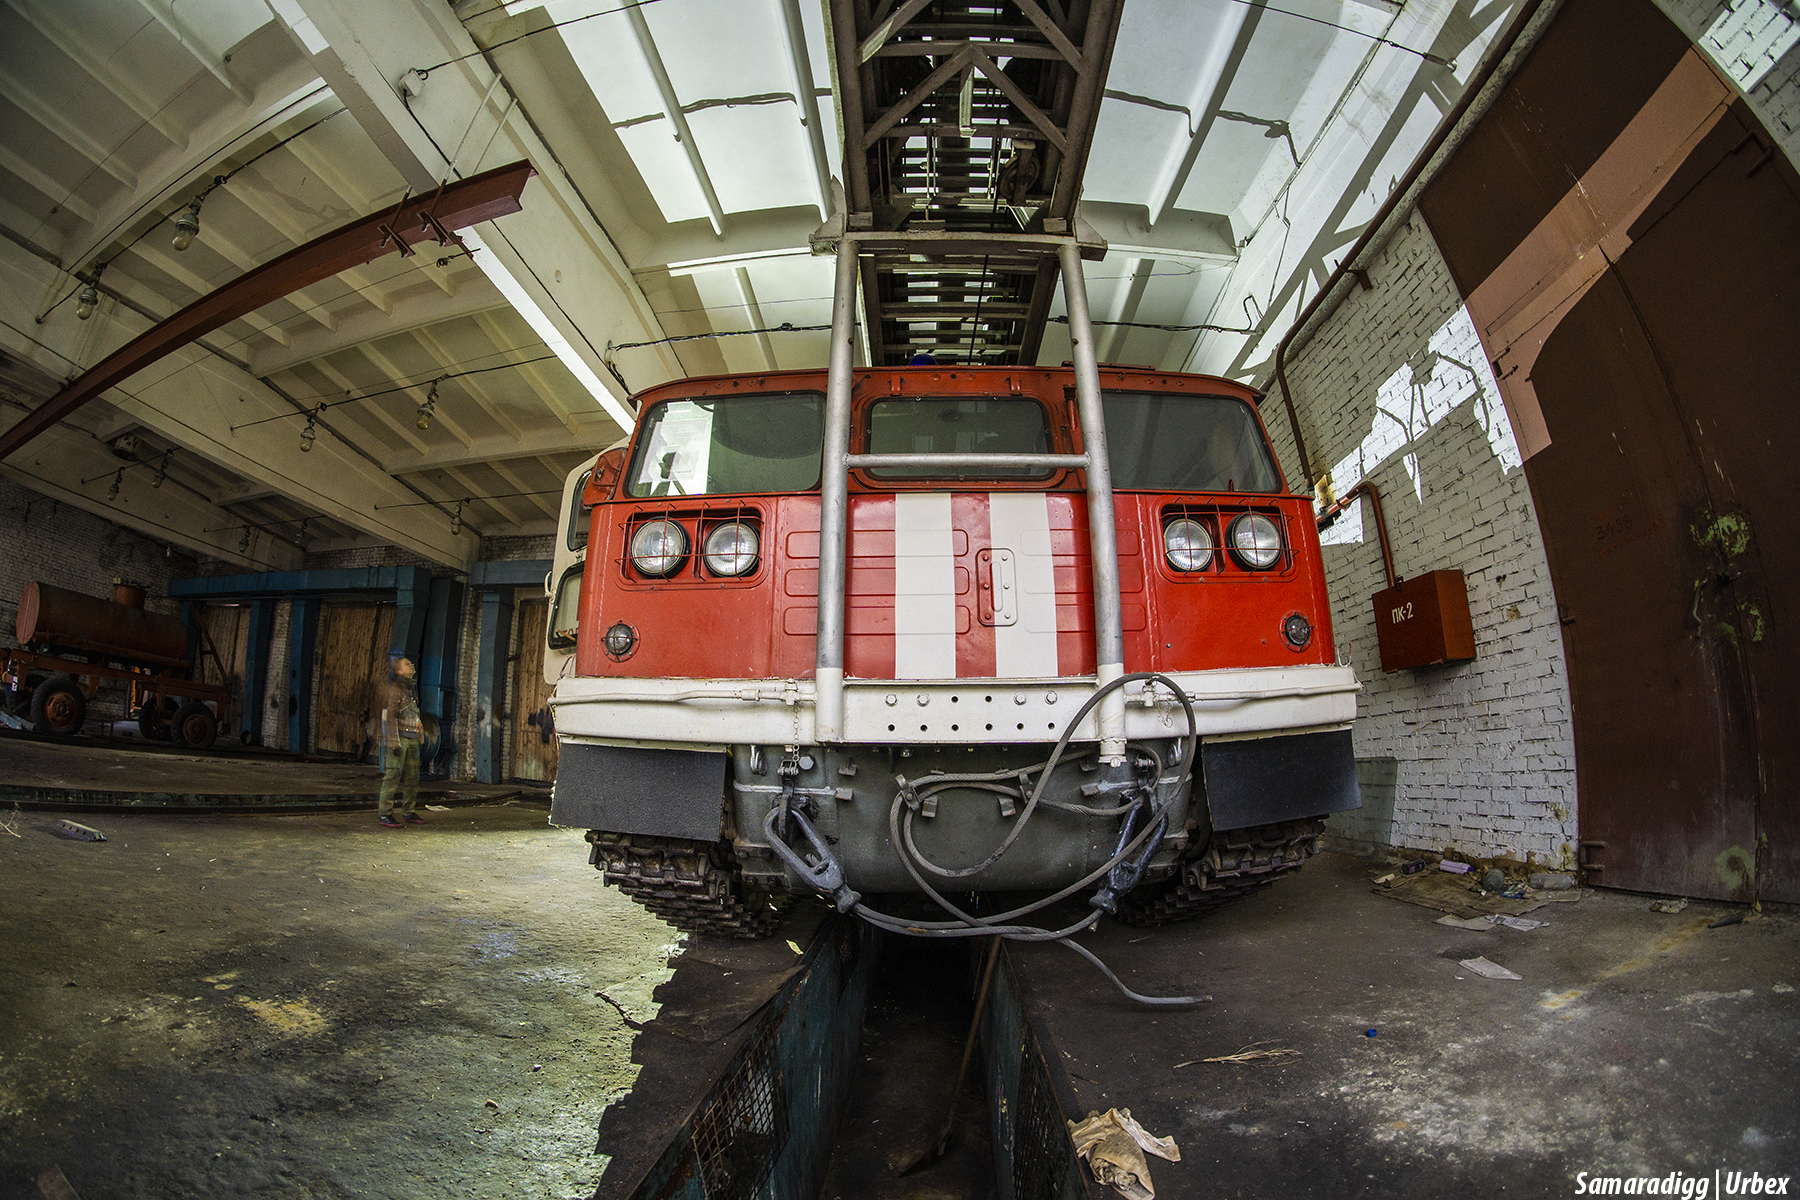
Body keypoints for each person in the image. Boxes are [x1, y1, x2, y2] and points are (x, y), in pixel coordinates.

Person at [378, 653, 425, 828]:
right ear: (399, 670)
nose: (411, 665)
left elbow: (412, 711)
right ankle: (385, 814)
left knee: (413, 777)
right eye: (407, 664)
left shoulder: (411, 689)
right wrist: (393, 741)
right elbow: (390, 716)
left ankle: (408, 811)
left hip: (412, 738)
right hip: (400, 739)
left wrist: (419, 726)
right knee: (393, 775)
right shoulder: (396, 689)